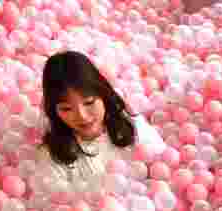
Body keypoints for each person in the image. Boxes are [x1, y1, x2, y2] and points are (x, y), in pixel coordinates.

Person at [33, 50, 167, 194]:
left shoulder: (134, 129)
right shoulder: (53, 155)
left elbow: (165, 172)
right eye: (66, 109)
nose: (82, 116)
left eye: (89, 102)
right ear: (54, 111)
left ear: (103, 94)